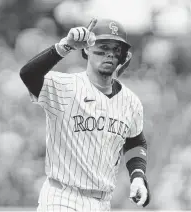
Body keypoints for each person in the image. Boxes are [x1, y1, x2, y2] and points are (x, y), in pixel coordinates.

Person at [20, 18, 150, 212]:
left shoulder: (131, 102)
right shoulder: (64, 86)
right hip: (62, 197)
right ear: (87, 49)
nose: (110, 54)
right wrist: (65, 46)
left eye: (116, 50)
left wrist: (138, 177)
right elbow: (28, 74)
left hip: (102, 203)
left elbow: (135, 142)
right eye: (103, 46)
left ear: (123, 56)